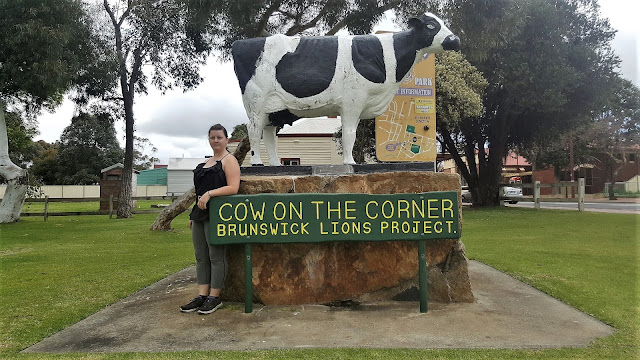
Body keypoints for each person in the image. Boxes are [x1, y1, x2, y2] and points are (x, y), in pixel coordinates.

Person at [180, 124, 240, 314]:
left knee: (216, 256)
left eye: (219, 137)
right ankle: (202, 295)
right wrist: (192, 214)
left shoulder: (229, 160)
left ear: (226, 140)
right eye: (212, 137)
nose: (216, 141)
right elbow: (199, 192)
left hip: (218, 214)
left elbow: (233, 187)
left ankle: (215, 296)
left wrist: (210, 194)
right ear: (209, 139)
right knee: (201, 257)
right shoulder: (206, 163)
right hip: (199, 214)